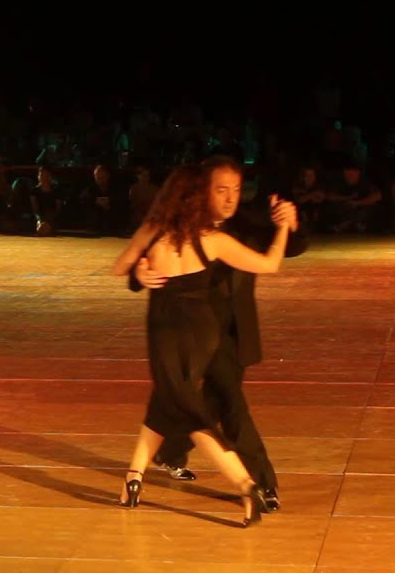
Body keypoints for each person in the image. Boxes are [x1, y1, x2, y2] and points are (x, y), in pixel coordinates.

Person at [110, 164, 296, 526]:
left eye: (234, 189)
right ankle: (134, 477)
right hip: (203, 332)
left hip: (168, 330)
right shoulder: (212, 239)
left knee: (190, 409)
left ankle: (246, 484)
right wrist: (284, 229)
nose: (228, 198)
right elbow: (270, 263)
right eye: (219, 190)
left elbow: (119, 267)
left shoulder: (155, 229)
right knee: (169, 399)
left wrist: (140, 268)